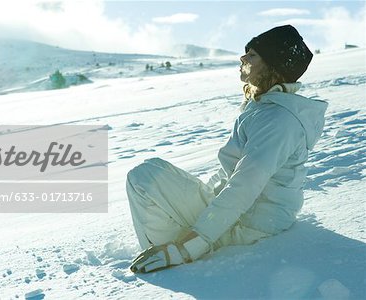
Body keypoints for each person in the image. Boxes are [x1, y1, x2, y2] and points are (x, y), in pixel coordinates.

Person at [125, 25, 328, 273]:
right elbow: (230, 174)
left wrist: (190, 245)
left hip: (251, 224)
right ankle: (167, 249)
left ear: (273, 66)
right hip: (240, 212)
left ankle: (172, 257)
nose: (243, 59)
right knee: (148, 172)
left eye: (252, 55)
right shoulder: (265, 108)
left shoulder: (278, 120)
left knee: (143, 178)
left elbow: (244, 187)